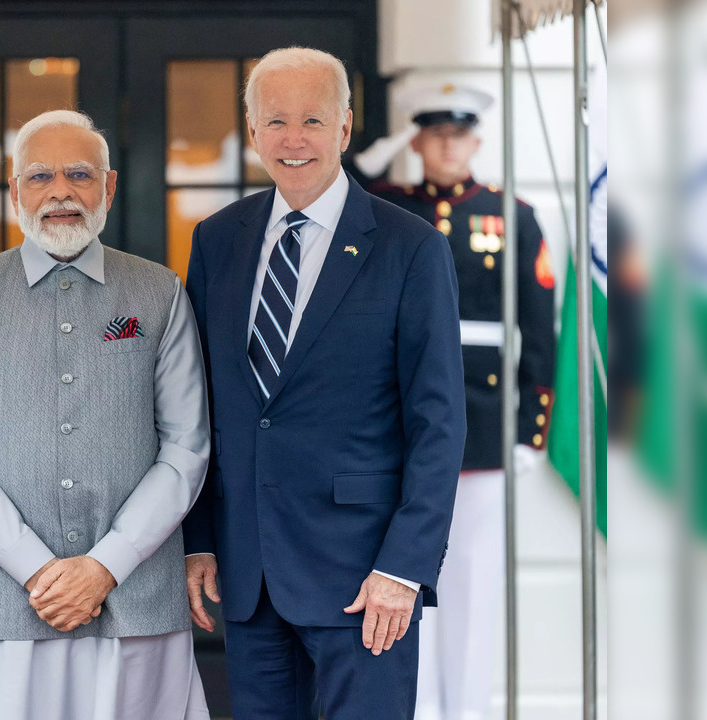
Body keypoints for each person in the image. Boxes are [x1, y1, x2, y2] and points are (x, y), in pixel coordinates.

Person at [181, 48, 467, 720]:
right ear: (251, 133)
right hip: (249, 578)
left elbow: (438, 422)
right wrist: (198, 538)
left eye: (313, 120)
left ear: (344, 130)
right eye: (275, 121)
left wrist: (404, 568)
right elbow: (200, 406)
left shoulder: (410, 247)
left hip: (365, 580)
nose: (293, 139)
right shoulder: (217, 240)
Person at [0, 109, 211, 720]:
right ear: (14, 188)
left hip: (133, 600)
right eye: (40, 176)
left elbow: (186, 447)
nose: (60, 192)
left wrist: (105, 567)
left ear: (109, 185)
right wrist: (36, 568)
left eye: (79, 174)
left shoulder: (160, 292)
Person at [356, 83, 557, 720]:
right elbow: (333, 197)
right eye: (434, 134)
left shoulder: (513, 214)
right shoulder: (387, 205)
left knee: (469, 583)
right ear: (416, 140)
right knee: (397, 573)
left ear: (476, 140)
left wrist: (530, 428)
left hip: (482, 418)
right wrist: (371, 158)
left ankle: (466, 710)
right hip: (399, 419)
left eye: (459, 134)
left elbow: (540, 329)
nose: (448, 145)